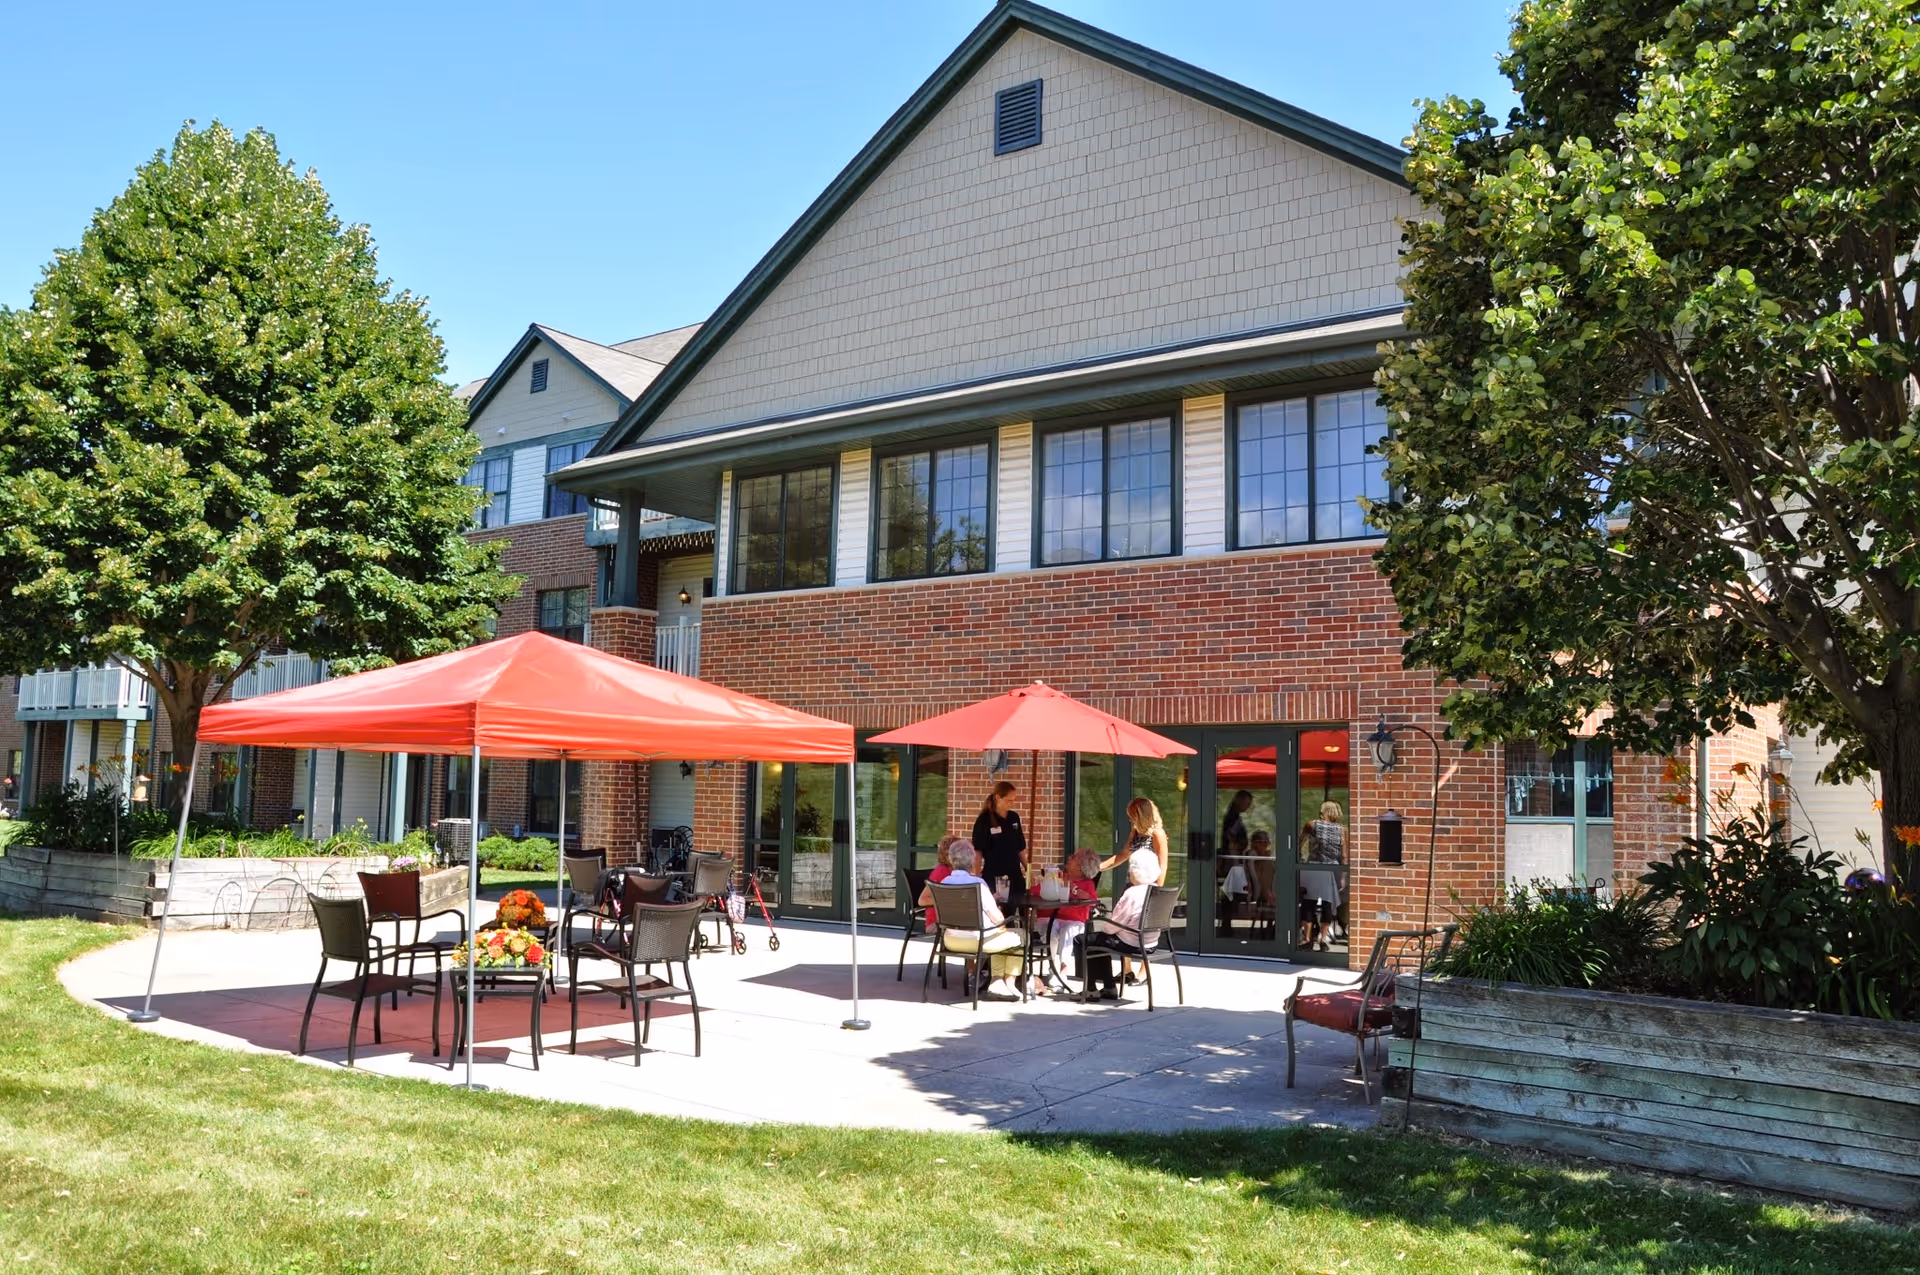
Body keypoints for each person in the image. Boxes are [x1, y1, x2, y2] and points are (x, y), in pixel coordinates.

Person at [920, 840, 1026, 1001]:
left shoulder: (944, 883)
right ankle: (1005, 981)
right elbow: (997, 919)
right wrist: (998, 908)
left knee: (1001, 934)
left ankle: (997, 982)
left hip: (950, 940)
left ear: (951, 859)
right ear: (972, 862)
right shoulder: (978, 884)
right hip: (977, 941)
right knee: (1019, 935)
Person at [1098, 797, 1168, 981]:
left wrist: (1156, 893)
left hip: (1151, 888)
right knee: (1124, 924)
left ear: (1141, 815)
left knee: (1146, 927)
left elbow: (1163, 865)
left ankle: (1144, 972)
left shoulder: (1157, 834)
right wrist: (1099, 866)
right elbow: (1123, 855)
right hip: (1133, 884)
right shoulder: (1136, 831)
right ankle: (1126, 969)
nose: (1131, 820)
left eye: (1132, 816)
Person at [1084, 847, 1162, 1000]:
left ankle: (1095, 989)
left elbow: (1112, 926)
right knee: (1099, 940)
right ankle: (1107, 987)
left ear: (1134, 871)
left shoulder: (1132, 893)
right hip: (1151, 943)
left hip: (1131, 943)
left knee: (1085, 940)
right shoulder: (1157, 891)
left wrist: (1105, 926)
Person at [1044, 848, 1102, 992]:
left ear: (1081, 866)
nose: (1069, 857)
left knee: (1068, 932)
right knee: (1050, 931)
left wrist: (1085, 896)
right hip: (1052, 916)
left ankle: (1063, 972)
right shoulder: (1057, 877)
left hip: (1074, 920)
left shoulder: (1087, 884)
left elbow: (1094, 902)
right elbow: (1037, 891)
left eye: (1074, 857)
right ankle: (1053, 968)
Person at [921, 835, 958, 934]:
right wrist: (947, 900)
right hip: (937, 923)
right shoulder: (942, 872)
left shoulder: (955, 871)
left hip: (949, 919)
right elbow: (922, 900)